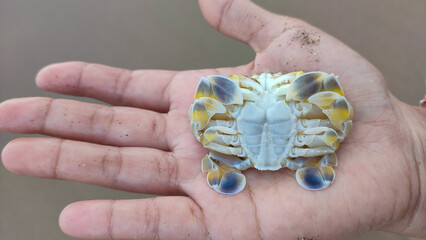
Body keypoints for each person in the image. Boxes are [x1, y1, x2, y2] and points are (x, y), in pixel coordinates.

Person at [0, 0, 425, 239]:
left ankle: (287, 163)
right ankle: (305, 164)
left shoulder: (232, 108)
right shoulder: (300, 102)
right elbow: (334, 112)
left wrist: (413, 156)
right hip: (291, 155)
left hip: (267, 157)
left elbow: (206, 112)